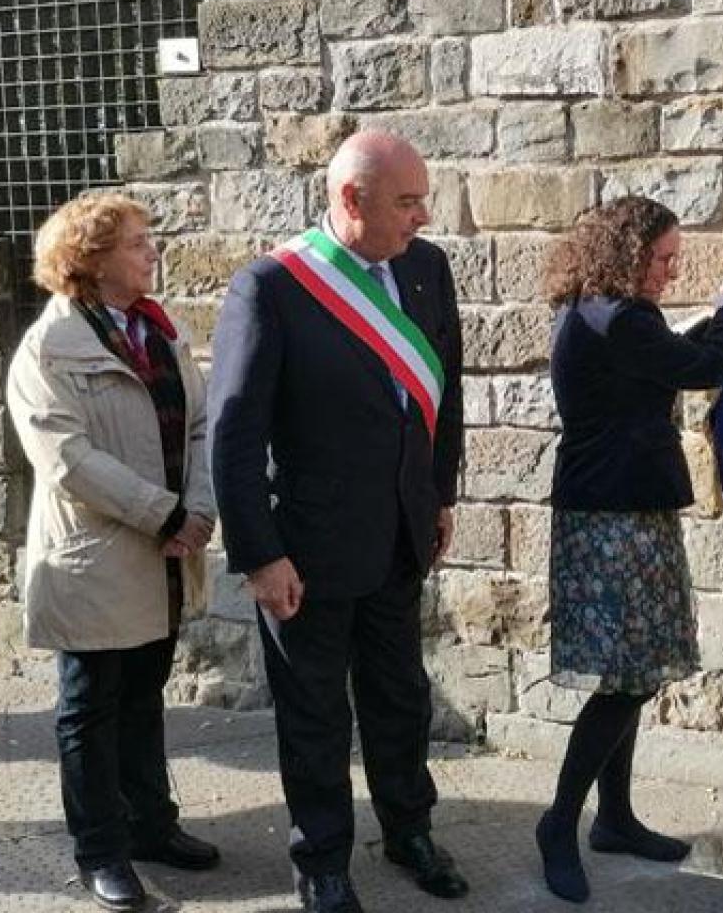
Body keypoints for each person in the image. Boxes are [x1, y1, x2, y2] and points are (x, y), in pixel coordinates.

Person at [208, 130, 466, 913]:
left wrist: (440, 494)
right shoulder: (274, 288)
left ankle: (408, 829)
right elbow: (234, 433)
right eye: (406, 201)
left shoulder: (426, 269)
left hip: (399, 533)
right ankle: (320, 860)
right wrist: (259, 555)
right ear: (350, 201)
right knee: (315, 713)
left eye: (423, 197)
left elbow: (444, 392)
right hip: (308, 548)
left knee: (401, 696)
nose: (423, 216)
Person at [534, 197, 723, 903]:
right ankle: (560, 823)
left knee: (632, 668)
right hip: (615, 515)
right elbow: (702, 367)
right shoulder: (622, 318)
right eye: (662, 259)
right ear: (629, 254)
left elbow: (657, 364)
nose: (670, 271)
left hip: (617, 506)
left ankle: (616, 818)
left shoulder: (589, 308)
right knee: (627, 676)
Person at [5, 193, 221, 911]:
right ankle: (101, 850)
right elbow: (65, 458)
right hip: (97, 556)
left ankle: (151, 826)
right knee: (90, 707)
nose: (151, 250)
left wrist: (198, 506)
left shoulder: (159, 331)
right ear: (90, 260)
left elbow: (200, 427)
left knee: (143, 696)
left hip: (162, 550)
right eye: (135, 242)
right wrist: (164, 513)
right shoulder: (49, 348)